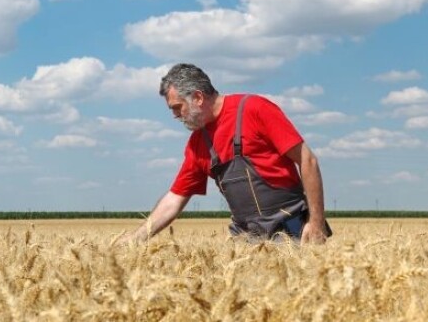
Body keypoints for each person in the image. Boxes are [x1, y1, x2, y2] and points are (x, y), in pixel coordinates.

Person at [125, 63, 331, 244]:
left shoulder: (255, 109)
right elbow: (175, 199)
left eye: (177, 108)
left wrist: (316, 222)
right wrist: (135, 239)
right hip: (246, 238)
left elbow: (307, 160)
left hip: (292, 229)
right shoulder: (197, 143)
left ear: (197, 97)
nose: (175, 116)